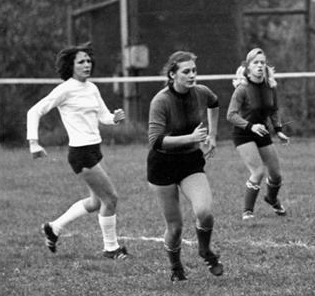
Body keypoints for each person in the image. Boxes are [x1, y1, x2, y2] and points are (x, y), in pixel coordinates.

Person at [26, 43, 129, 259]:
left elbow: (103, 116)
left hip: (95, 149)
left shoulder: (92, 88)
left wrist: (115, 118)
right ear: (71, 66)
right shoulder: (65, 89)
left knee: (96, 202)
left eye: (88, 61)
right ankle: (111, 249)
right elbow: (34, 111)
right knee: (110, 199)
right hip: (80, 153)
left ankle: (53, 228)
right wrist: (34, 142)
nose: (86, 65)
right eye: (81, 61)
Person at [147, 51, 222, 281]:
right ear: (172, 75)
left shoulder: (201, 92)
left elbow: (215, 103)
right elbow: (155, 140)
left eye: (194, 71)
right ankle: (176, 266)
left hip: (190, 161)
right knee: (175, 227)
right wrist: (191, 138)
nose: (192, 75)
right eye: (186, 71)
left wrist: (213, 135)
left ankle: (204, 250)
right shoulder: (160, 100)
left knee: (205, 213)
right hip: (163, 165)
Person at [227, 48, 290, 223]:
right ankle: (247, 212)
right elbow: (231, 115)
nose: (260, 66)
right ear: (248, 67)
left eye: (263, 62)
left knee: (276, 175)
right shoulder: (242, 89)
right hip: (243, 133)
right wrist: (250, 126)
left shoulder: (270, 86)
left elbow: (274, 110)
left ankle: (271, 199)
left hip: (261, 132)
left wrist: (278, 131)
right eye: (256, 63)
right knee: (258, 172)